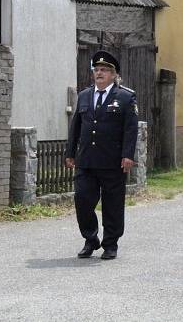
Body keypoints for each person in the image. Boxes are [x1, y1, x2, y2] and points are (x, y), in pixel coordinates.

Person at [66, 50, 138, 260]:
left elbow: (130, 129)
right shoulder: (84, 96)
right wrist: (70, 152)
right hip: (86, 160)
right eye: (96, 70)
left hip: (112, 161)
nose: (99, 73)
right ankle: (90, 239)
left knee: (113, 204)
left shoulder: (125, 97)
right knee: (82, 200)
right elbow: (75, 127)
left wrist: (127, 155)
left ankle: (110, 244)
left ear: (114, 75)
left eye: (104, 70)